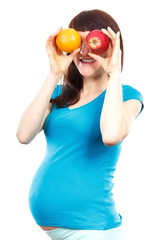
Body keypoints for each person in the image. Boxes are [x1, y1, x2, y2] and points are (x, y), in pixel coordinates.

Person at [16, 9, 144, 240]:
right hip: (63, 232)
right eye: (78, 42)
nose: (85, 51)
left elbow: (112, 135)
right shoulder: (58, 95)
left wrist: (114, 73)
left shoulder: (127, 96)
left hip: (93, 229)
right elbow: (24, 135)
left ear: (111, 48)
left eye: (93, 43)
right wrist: (55, 73)